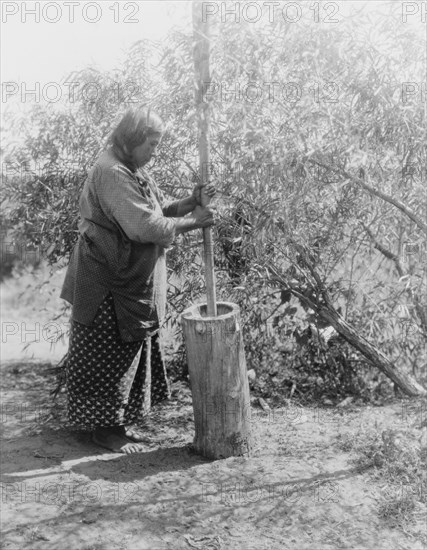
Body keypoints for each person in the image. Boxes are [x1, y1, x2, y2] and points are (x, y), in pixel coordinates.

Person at [60, 106, 215, 454]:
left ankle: (117, 425)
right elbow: (144, 227)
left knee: (125, 350)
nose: (154, 151)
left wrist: (190, 203)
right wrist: (198, 221)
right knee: (108, 352)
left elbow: (157, 212)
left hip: (123, 280)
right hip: (107, 283)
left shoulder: (129, 168)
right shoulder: (112, 172)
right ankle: (106, 430)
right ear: (131, 139)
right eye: (152, 143)